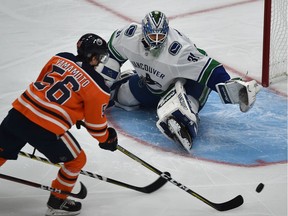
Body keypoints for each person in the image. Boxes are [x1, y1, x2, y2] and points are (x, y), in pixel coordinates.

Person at [96, 10, 261, 151]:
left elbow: (210, 69)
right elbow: (111, 56)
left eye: (160, 36)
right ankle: (129, 80)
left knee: (182, 111)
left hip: (189, 81)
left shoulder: (179, 51)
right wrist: (100, 86)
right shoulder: (129, 36)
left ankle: (189, 120)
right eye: (152, 35)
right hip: (154, 83)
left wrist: (228, 85)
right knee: (122, 98)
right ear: (144, 31)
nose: (156, 41)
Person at [0, 33, 118, 216]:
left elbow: (42, 82)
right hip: (45, 128)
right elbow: (96, 126)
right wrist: (107, 138)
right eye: (100, 57)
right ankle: (57, 202)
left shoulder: (59, 57)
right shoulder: (99, 86)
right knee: (76, 160)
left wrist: (74, 112)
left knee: (1, 148)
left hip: (19, 112)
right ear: (94, 57)